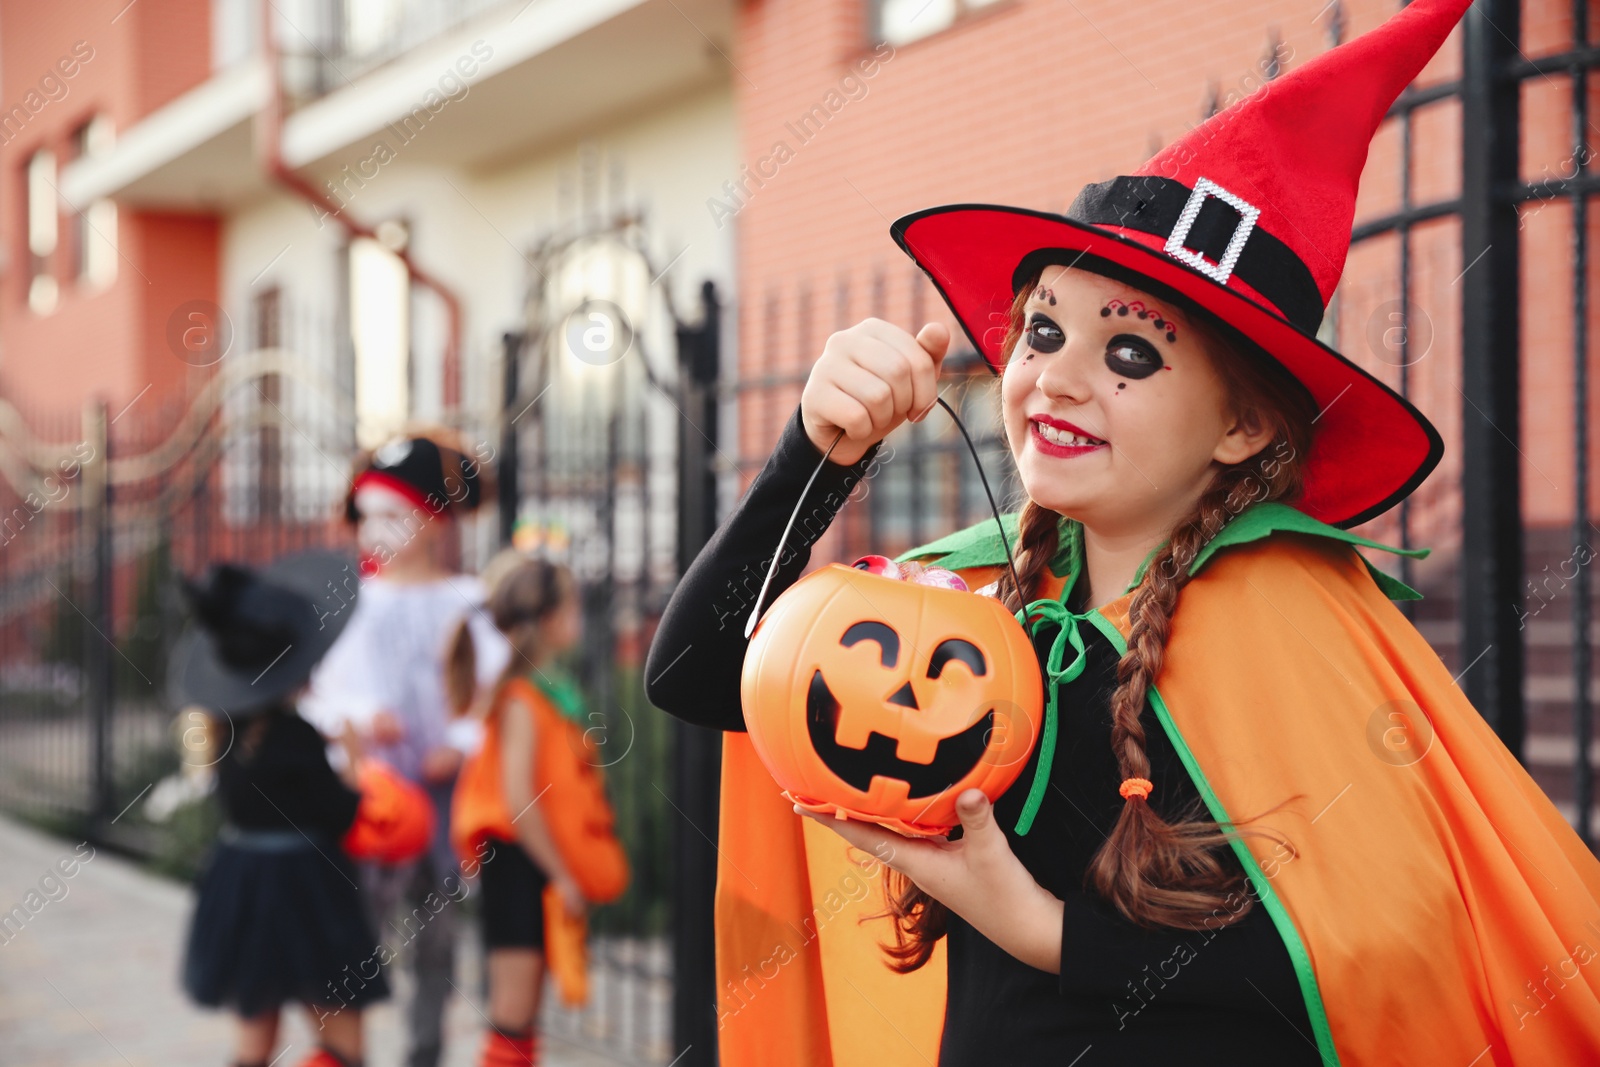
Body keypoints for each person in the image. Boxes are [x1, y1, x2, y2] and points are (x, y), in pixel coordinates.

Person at [643, 1, 1600, 1064]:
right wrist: (816, 454)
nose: (1053, 373)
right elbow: (700, 674)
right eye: (1041, 330)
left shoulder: (1290, 616)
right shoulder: (981, 598)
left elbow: (1366, 961)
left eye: (1129, 355)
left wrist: (1044, 931)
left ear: (1240, 424)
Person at [299, 429, 510, 1067]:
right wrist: (360, 719)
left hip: (445, 799)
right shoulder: (349, 604)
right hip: (374, 799)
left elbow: (492, 689)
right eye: (367, 517)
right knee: (358, 927)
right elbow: (321, 690)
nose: (375, 531)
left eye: (394, 516)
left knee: (437, 937)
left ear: (432, 521)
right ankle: (344, 1047)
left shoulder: (469, 603)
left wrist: (460, 739)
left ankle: (424, 1048)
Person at [174, 550, 386, 1067]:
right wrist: (357, 769)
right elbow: (339, 814)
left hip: (242, 884)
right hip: (308, 891)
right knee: (343, 1042)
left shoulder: (226, 736)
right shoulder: (298, 738)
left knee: (254, 1040)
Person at [446, 551, 627, 1067]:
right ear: (549, 621)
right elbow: (521, 802)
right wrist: (561, 876)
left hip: (531, 865)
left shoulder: (549, 694)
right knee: (512, 1010)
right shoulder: (524, 698)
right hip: (518, 865)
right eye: (572, 608)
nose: (580, 618)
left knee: (523, 1014)